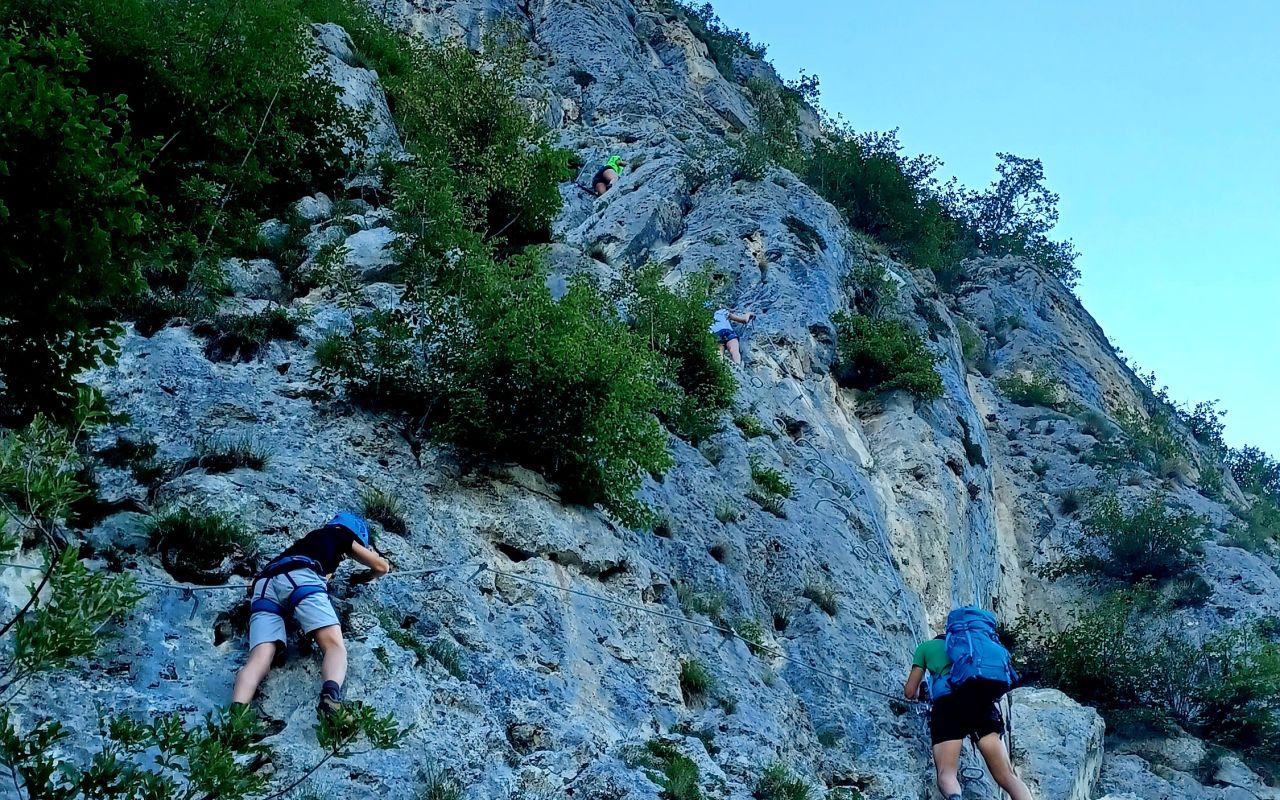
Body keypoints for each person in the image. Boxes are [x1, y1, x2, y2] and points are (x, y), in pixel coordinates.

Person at [232, 512, 390, 716]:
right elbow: (381, 567)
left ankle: (236, 716)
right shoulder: (340, 535)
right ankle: (331, 697)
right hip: (302, 577)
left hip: (264, 584)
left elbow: (325, 575)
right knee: (334, 646)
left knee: (259, 658)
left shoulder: (310, 541)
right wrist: (364, 576)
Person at [903, 609, 1032, 800]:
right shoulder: (977, 648)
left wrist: (922, 693)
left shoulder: (926, 647)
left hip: (948, 707)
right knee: (1007, 776)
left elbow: (909, 692)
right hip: (981, 703)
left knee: (947, 775)